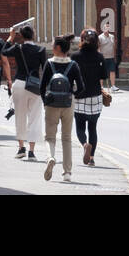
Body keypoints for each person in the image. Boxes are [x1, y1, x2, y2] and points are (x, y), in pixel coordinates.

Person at [39, 34, 83, 182]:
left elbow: (42, 86)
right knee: (67, 138)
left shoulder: (49, 63)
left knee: (49, 137)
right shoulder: (73, 65)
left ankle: (50, 158)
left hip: (51, 104)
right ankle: (67, 173)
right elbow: (81, 87)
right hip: (68, 104)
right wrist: (72, 94)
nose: (51, 48)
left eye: (53, 46)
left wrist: (45, 101)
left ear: (58, 48)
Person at [2, 24, 45, 161]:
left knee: (20, 117)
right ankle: (32, 151)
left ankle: (21, 148)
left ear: (21, 35)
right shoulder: (41, 49)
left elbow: (3, 51)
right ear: (33, 34)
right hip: (35, 86)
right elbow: (45, 68)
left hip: (19, 84)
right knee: (34, 118)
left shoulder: (17, 47)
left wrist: (11, 37)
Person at [71, 28, 109, 165]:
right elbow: (103, 77)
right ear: (97, 42)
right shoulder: (100, 57)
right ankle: (92, 158)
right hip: (95, 97)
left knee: (80, 127)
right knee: (92, 128)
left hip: (79, 96)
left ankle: (84, 144)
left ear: (82, 40)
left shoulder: (75, 56)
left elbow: (70, 76)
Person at [98, 22, 118, 91]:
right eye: (106, 28)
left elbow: (114, 47)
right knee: (102, 72)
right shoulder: (100, 37)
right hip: (103, 58)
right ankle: (101, 87)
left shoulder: (112, 36)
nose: (107, 29)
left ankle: (113, 86)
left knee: (112, 71)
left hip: (111, 57)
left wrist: (114, 56)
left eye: (108, 27)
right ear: (103, 29)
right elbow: (98, 48)